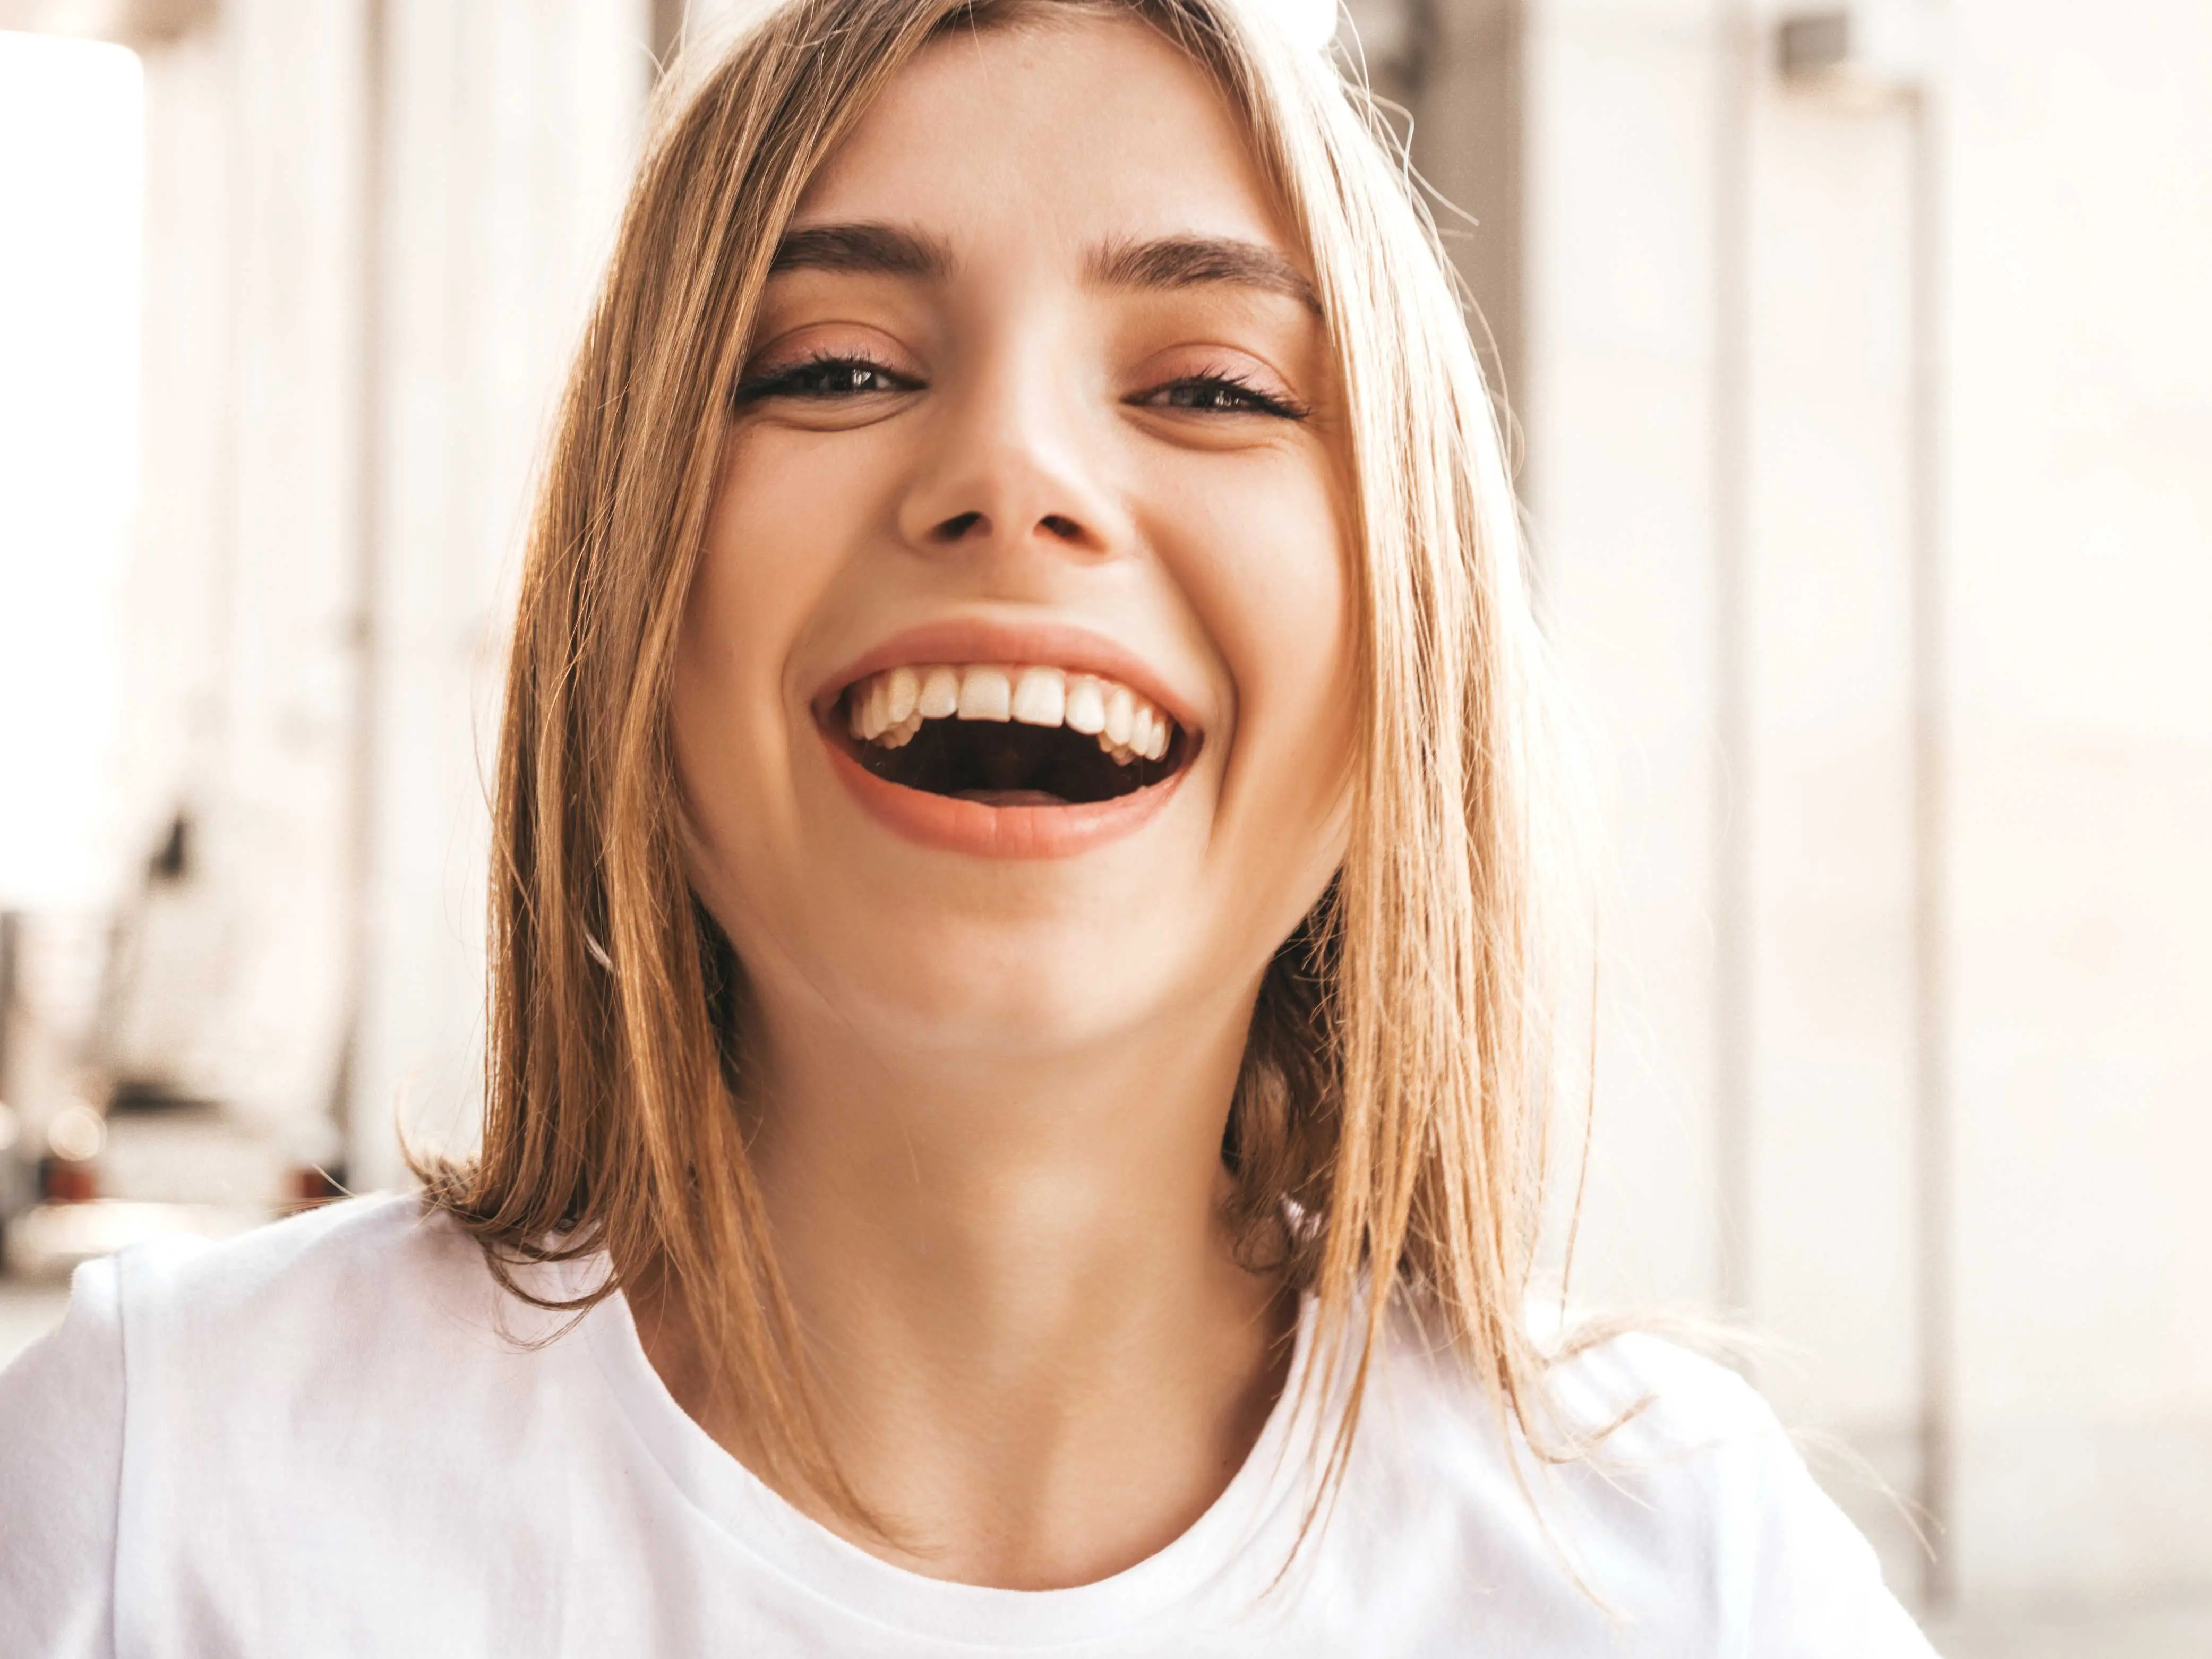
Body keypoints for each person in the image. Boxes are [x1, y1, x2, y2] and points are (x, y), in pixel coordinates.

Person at [0, 0, 1939, 1651]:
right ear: (629, 599)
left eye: (1208, 384)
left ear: (1403, 644)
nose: (1012, 470)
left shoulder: (1687, 1573)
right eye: (834, 366)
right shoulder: (158, 1492)